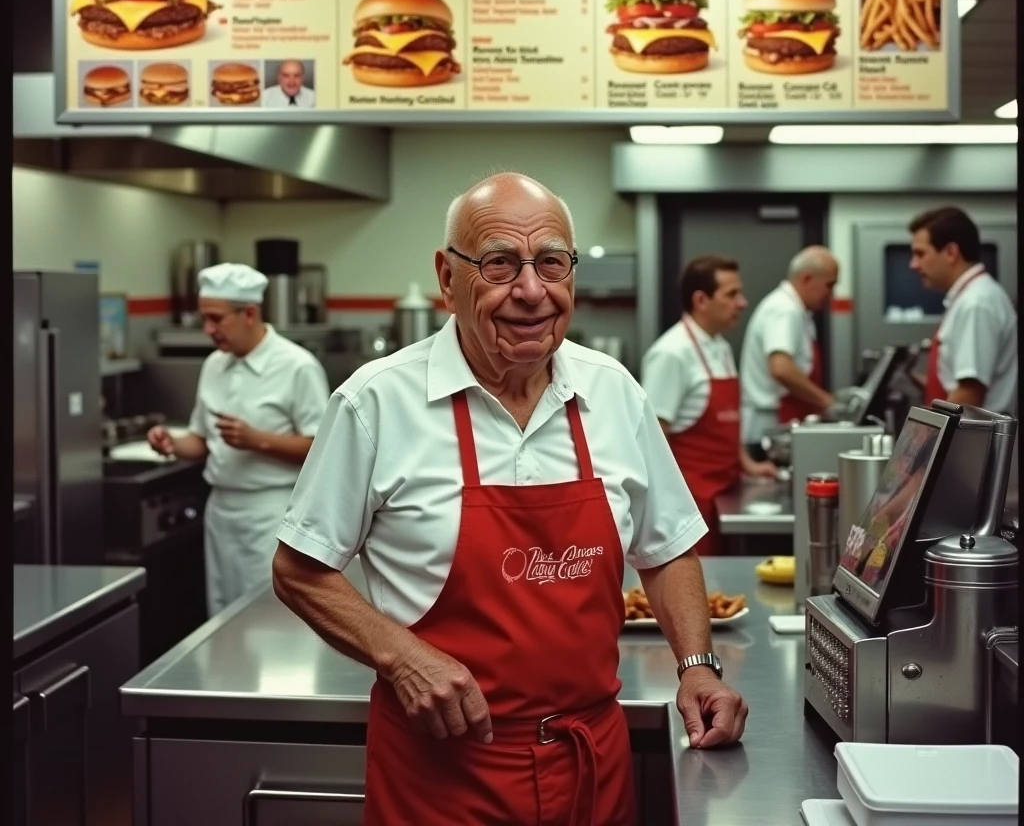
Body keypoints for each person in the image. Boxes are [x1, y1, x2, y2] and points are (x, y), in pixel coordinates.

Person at [272, 174, 747, 826]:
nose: (531, 291)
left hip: (591, 765)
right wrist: (401, 655)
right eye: (499, 264)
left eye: (551, 262)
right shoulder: (375, 402)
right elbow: (299, 570)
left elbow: (665, 551)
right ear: (447, 278)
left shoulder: (614, 393)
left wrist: (697, 666)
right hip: (442, 777)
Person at [147, 263, 329, 615]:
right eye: (204, 319)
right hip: (221, 513)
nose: (208, 330)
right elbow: (200, 441)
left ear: (249, 313)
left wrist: (257, 440)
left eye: (216, 319)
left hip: (271, 512)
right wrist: (171, 442)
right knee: (221, 613)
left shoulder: (297, 366)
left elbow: (322, 450)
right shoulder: (215, 365)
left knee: (269, 618)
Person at [641, 254, 776, 556]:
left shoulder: (721, 346)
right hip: (689, 503)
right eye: (732, 294)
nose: (742, 303)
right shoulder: (671, 354)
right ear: (701, 300)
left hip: (725, 493)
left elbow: (729, 422)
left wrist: (748, 465)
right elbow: (652, 438)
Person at [908, 206, 1017, 412]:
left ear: (950, 252)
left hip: (976, 443)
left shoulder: (977, 303)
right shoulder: (969, 297)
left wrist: (929, 440)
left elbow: (969, 392)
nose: (913, 264)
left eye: (920, 254)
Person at [740, 246, 839, 454]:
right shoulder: (784, 310)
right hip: (769, 430)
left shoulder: (797, 310)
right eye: (829, 285)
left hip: (779, 423)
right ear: (806, 279)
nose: (831, 294)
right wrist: (826, 401)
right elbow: (781, 368)